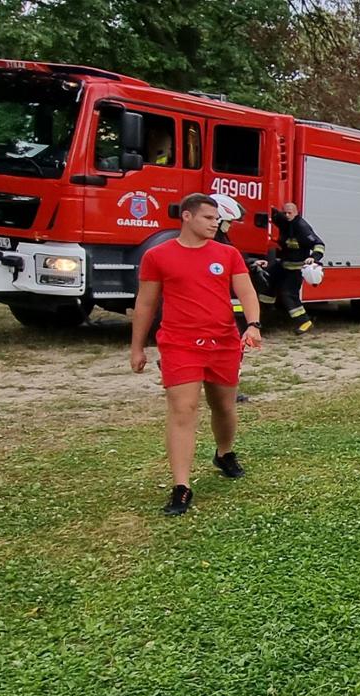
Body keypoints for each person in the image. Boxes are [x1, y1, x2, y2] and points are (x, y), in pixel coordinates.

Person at [129, 193, 265, 516]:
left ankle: (224, 452)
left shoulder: (228, 254)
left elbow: (246, 290)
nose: (215, 223)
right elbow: (145, 304)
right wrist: (137, 347)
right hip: (179, 344)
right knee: (183, 410)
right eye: (208, 217)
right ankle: (182, 486)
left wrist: (254, 324)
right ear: (187, 217)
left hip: (223, 343)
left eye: (216, 218)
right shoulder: (157, 256)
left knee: (224, 407)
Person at [269, 202, 325, 335]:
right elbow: (273, 213)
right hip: (283, 265)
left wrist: (314, 257)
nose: (287, 215)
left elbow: (319, 244)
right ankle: (266, 313)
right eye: (285, 213)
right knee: (267, 281)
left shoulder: (302, 227)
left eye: (290, 213)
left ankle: (304, 322)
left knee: (288, 294)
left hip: (296, 268)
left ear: (296, 212)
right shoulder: (283, 220)